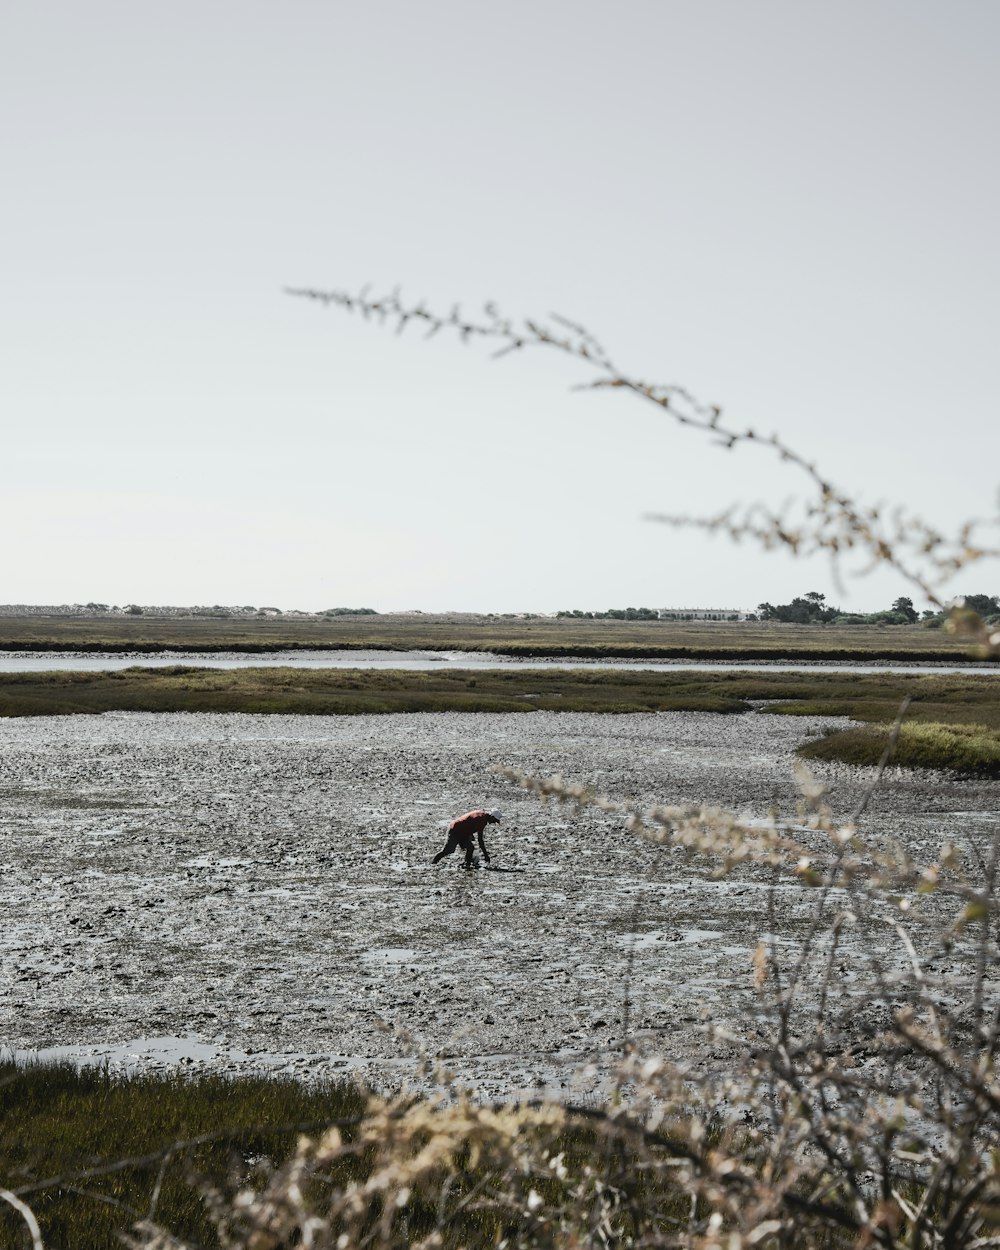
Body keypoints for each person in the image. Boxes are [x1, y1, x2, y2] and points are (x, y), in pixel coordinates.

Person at [432, 808, 501, 868]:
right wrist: (486, 855)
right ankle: (433, 863)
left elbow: (470, 822)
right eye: (494, 821)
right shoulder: (481, 819)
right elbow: (480, 840)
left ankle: (467, 864)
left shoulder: (482, 815)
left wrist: (470, 834)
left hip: (463, 831)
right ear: (492, 816)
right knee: (449, 850)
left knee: (470, 848)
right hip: (455, 830)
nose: (493, 823)